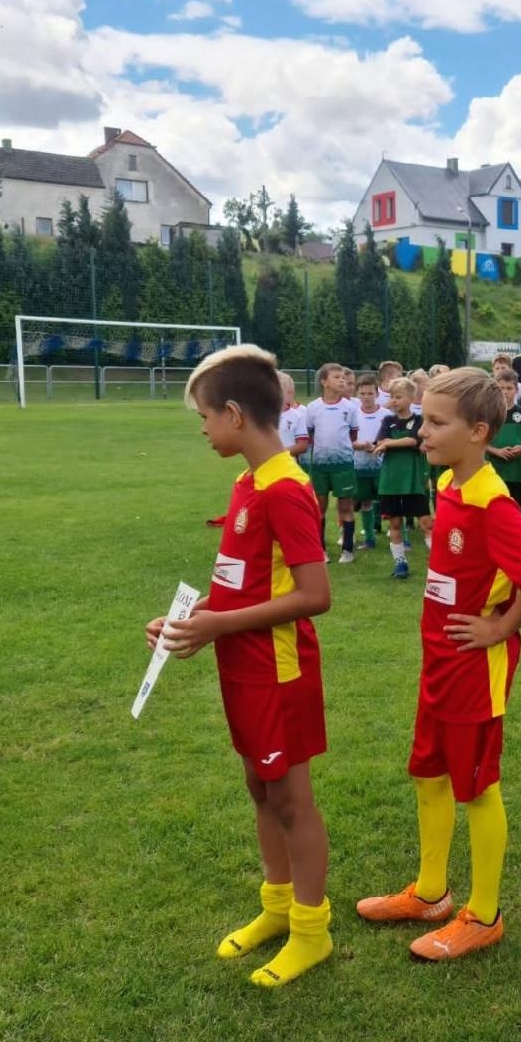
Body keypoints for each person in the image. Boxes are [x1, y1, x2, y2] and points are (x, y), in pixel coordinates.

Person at [355, 368, 521, 958]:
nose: (422, 430)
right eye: (422, 418)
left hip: (475, 668)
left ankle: (484, 914)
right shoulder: (449, 486)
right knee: (428, 772)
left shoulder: (491, 503)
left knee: (476, 788)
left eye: (437, 422)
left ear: (477, 431)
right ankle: (429, 894)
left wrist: (499, 626)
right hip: (439, 663)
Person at [148, 344, 334, 987]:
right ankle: (277, 910)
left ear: (233, 414)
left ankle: (312, 932)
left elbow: (315, 596)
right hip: (242, 665)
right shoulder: (246, 482)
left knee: (290, 798)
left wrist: (216, 626)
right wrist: (192, 616)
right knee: (259, 787)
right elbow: (242, 583)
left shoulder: (286, 488)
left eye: (203, 416)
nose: (201, 428)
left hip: (279, 672)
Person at [374, 378, 430, 581]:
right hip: (391, 481)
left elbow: (414, 440)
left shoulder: (419, 420)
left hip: (413, 480)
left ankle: (436, 561)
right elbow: (380, 441)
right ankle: (400, 562)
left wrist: (390, 443)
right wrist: (386, 442)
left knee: (425, 522)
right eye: (392, 397)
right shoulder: (388, 421)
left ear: (412, 398)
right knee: (395, 523)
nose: (394, 401)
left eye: (399, 397)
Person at [305, 363, 359, 564]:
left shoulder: (350, 408)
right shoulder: (312, 408)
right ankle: (321, 550)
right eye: (336, 377)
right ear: (324, 382)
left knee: (346, 506)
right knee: (319, 508)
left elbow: (353, 434)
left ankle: (347, 549)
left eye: (343, 377)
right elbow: (310, 434)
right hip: (320, 467)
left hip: (343, 466)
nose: (342, 380)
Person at [486, 367, 521, 511]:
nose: (505, 392)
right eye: (501, 388)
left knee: (520, 509)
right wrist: (496, 451)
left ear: (516, 390)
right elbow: (479, 443)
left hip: (518, 472)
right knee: (493, 509)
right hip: (494, 470)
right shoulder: (488, 414)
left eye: (509, 388)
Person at [353, 374, 390, 551]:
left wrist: (377, 445)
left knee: (389, 500)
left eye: (370, 393)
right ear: (357, 394)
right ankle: (369, 538)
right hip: (360, 466)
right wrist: (358, 445)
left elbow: (392, 438)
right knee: (365, 502)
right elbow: (347, 438)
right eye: (362, 393)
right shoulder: (353, 414)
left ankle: (401, 537)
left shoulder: (386, 415)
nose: (366, 397)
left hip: (383, 465)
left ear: (377, 393)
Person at [279, 372, 311, 460]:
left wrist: (277, 455)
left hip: (288, 465)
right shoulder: (262, 416)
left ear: (290, 393)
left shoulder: (297, 415)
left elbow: (302, 446)